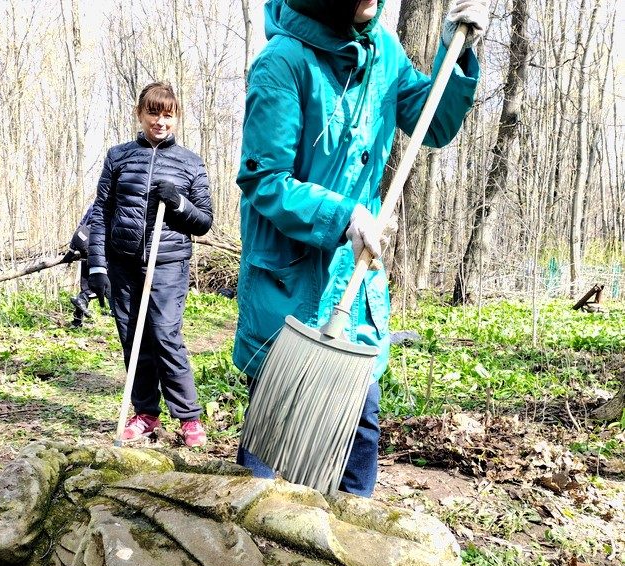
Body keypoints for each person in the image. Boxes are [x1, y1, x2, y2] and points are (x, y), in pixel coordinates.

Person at [233, 0, 488, 496]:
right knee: (273, 434)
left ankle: (352, 536)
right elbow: (265, 180)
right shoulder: (282, 62)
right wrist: (343, 215)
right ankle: (249, 534)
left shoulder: (385, 51)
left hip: (354, 277)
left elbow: (433, 123)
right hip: (290, 281)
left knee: (359, 425)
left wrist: (455, 56)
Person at [87, 82, 213, 446]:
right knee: (133, 338)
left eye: (168, 115)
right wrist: (97, 266)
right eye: (153, 113)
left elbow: (204, 221)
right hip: (122, 263)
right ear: (140, 114)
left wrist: (178, 203)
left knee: (165, 335)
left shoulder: (190, 163)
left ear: (176, 118)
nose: (160, 121)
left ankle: (188, 417)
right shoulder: (119, 157)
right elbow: (101, 212)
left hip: (168, 264)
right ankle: (145, 414)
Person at [61, 203, 103, 328]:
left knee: (86, 287)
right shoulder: (110, 204)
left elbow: (81, 225)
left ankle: (76, 322)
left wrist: (72, 249)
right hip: (96, 247)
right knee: (98, 284)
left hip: (83, 242)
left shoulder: (94, 205)